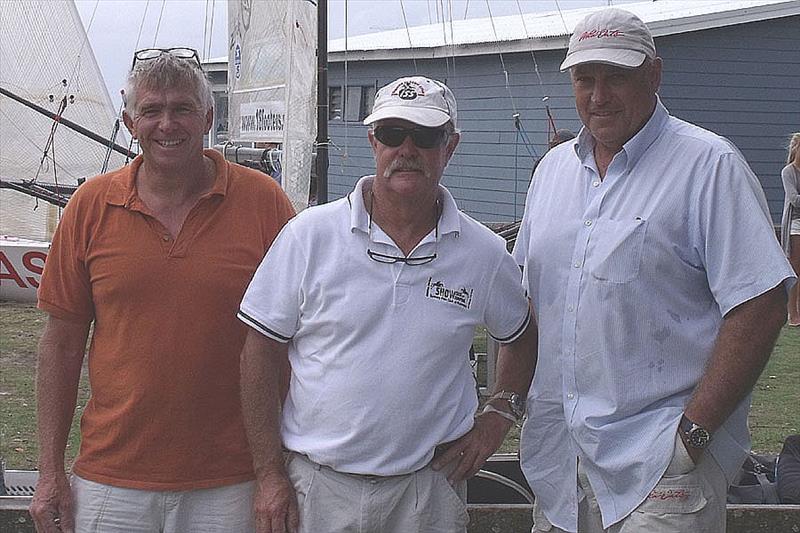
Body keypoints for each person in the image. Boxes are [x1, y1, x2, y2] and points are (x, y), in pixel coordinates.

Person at [513, 8, 795, 532]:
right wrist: (508, 404)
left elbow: (760, 304)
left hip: (663, 467)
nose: (598, 96)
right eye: (585, 78)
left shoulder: (708, 166)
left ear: (654, 75)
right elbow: (527, 301)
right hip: (561, 467)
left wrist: (696, 433)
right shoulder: (551, 172)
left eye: (616, 76)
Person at [237, 75, 538, 533]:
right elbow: (258, 353)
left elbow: (521, 334)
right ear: (373, 142)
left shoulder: (484, 254)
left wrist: (498, 416)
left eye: (425, 135)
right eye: (393, 134)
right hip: (318, 488)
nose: (407, 149)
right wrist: (269, 474)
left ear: (450, 146)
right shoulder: (307, 236)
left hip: (427, 494)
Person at [29, 48, 295, 533]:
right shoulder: (91, 206)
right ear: (131, 121)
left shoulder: (264, 204)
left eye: (182, 109)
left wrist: (275, 471)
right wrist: (49, 472)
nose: (166, 124)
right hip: (112, 480)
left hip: (233, 482)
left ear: (208, 117)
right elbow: (61, 346)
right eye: (152, 110)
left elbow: (298, 339)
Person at [781, 132, 800, 326]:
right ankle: (792, 313)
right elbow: (794, 199)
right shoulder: (788, 172)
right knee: (795, 268)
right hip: (795, 224)